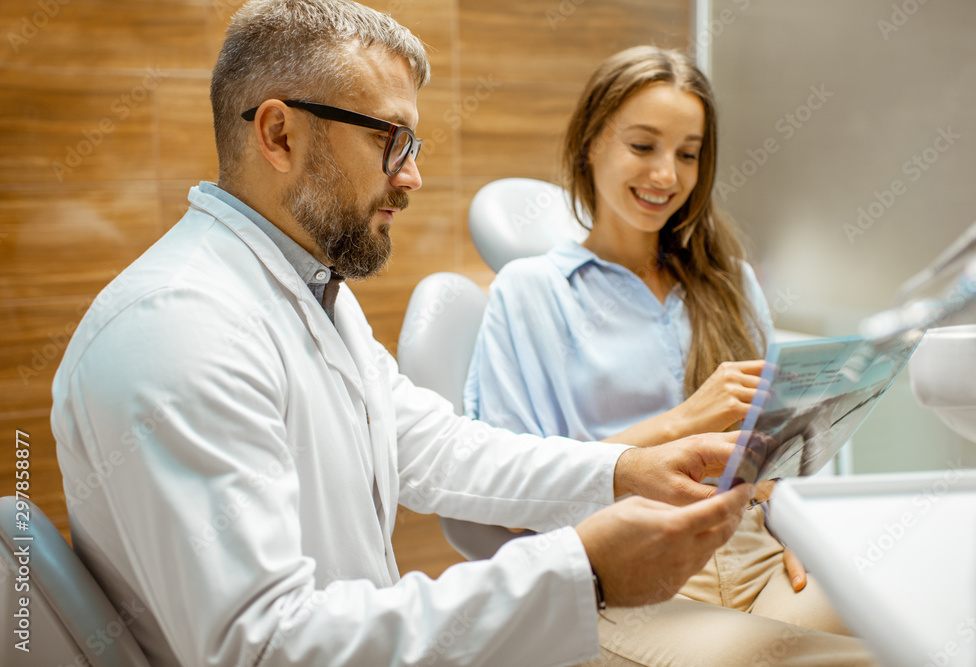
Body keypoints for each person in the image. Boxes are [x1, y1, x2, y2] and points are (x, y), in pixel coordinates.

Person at [50, 3, 756, 666]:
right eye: (390, 139)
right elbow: (265, 647)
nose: (412, 175)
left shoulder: (309, 289)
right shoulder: (179, 328)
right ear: (278, 134)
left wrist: (624, 471)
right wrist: (586, 568)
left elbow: (437, 448)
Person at [464, 46, 876, 665]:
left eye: (688, 154)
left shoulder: (729, 281)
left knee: (914, 623)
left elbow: (778, 452)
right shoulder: (532, 293)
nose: (666, 175)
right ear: (591, 144)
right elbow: (513, 496)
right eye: (643, 145)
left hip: (757, 554)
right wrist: (684, 419)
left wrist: (800, 522)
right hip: (628, 570)